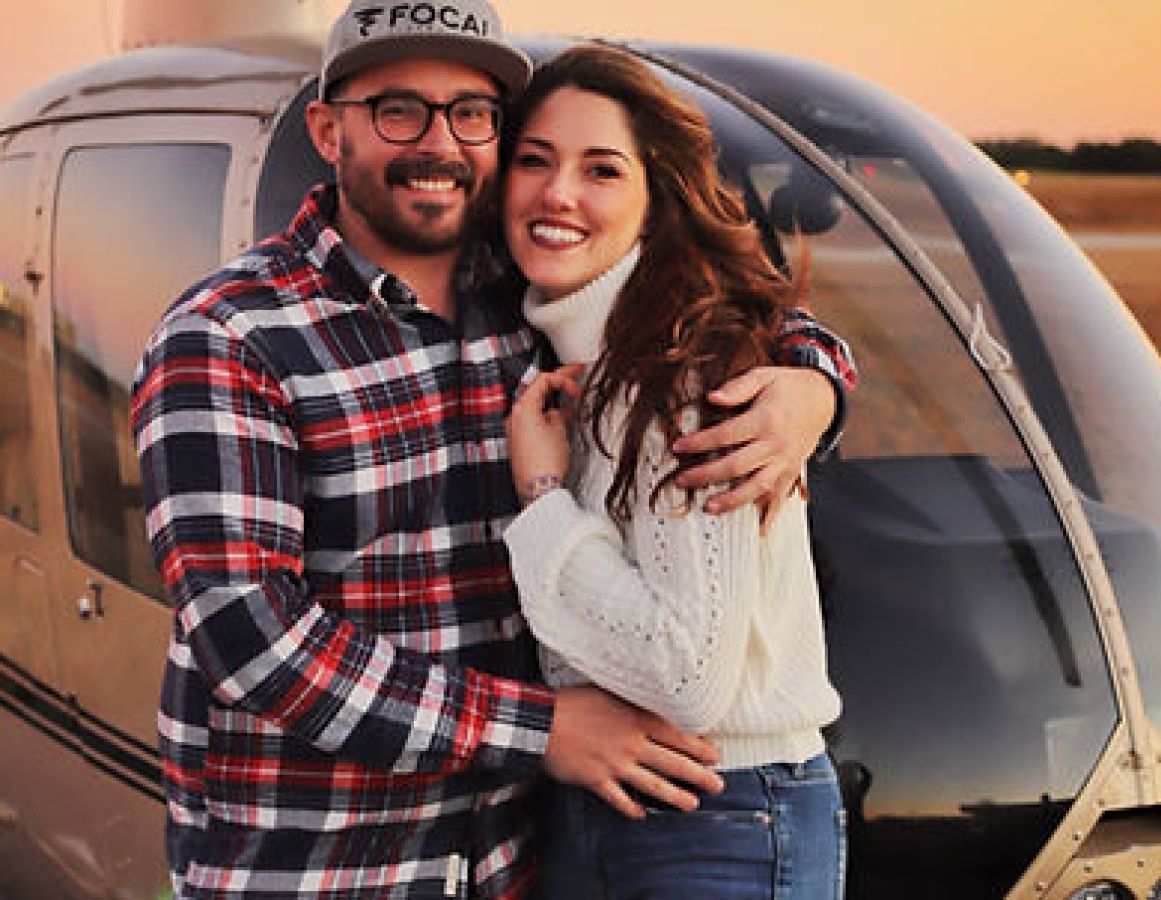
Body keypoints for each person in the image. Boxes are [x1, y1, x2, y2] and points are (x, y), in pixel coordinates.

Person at [130, 1, 854, 896]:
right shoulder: (231, 336)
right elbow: (252, 637)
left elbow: (718, 306)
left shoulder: (521, 291)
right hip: (322, 872)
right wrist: (541, 730)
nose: (438, 142)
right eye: (398, 108)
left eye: (471, 113)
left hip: (509, 865)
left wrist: (815, 384)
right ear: (327, 129)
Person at [502, 43, 846, 899]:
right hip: (614, 804)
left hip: (718, 811)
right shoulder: (586, 352)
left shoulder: (685, 369)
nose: (559, 194)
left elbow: (688, 678)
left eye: (602, 170)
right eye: (533, 161)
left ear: (658, 198)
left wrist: (542, 501)